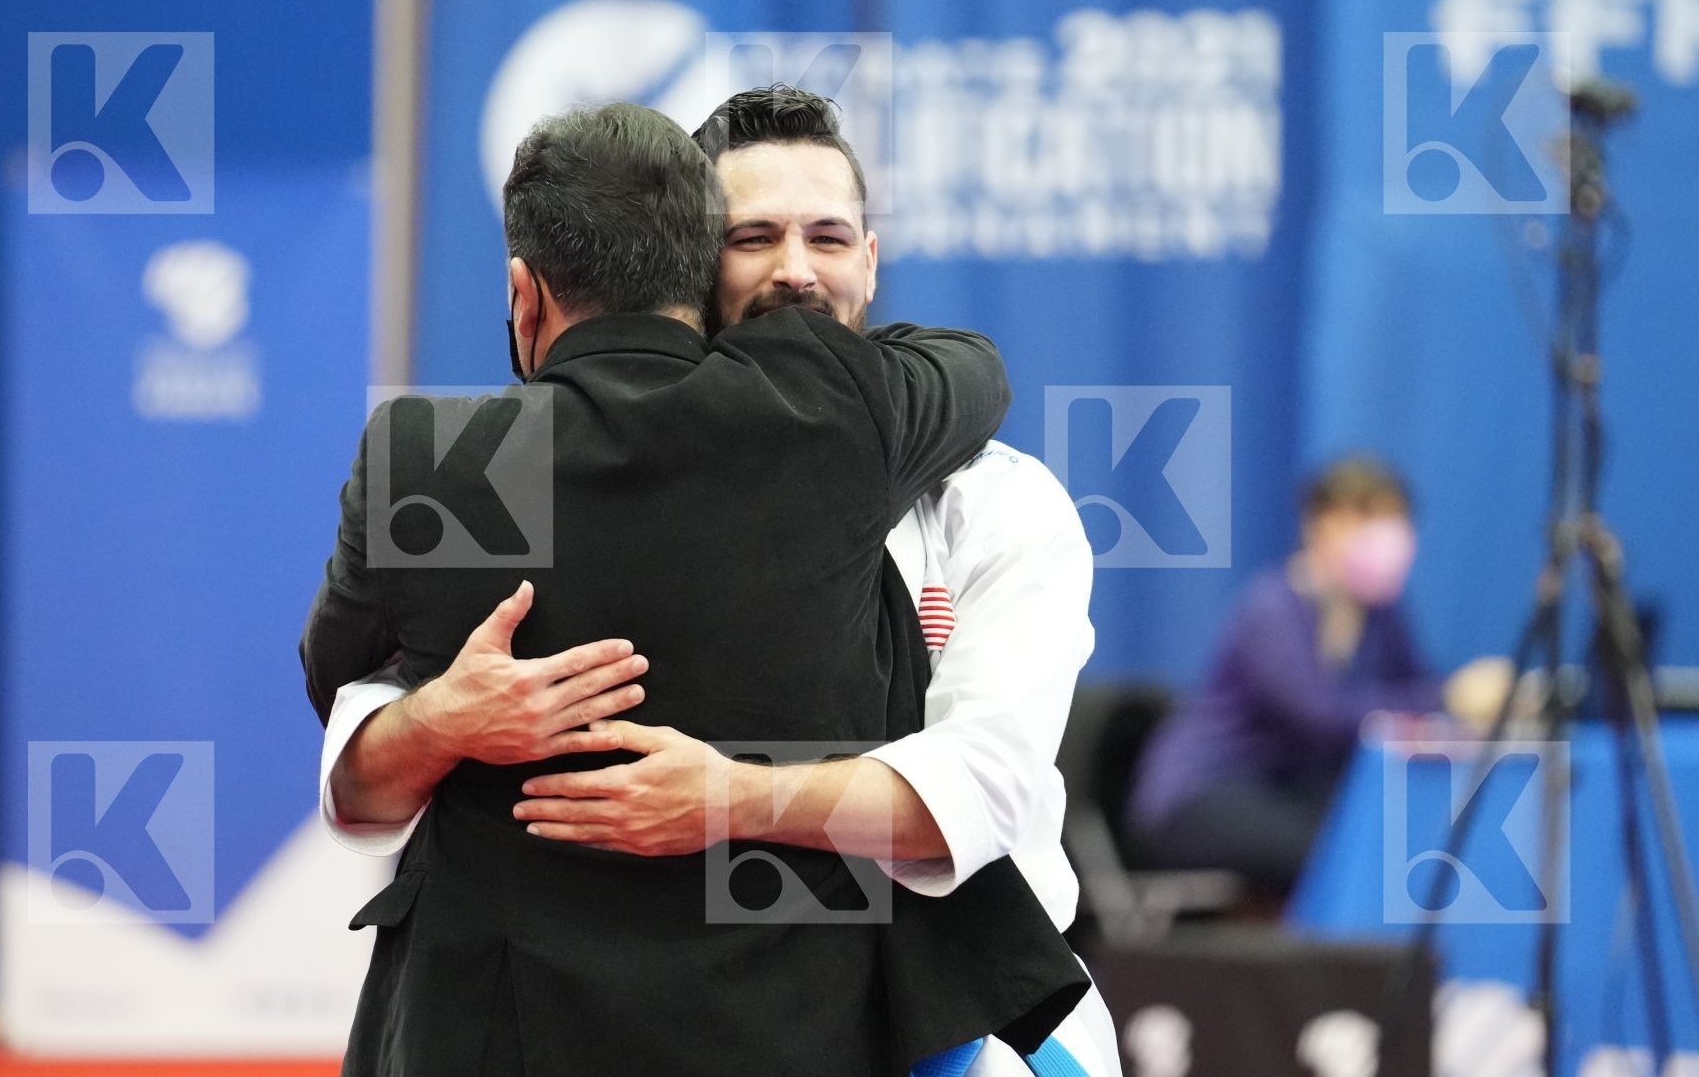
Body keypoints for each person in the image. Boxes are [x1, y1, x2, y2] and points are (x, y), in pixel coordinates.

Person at [322, 87, 1121, 1077]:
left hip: (959, 1023)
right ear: (691, 265)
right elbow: (365, 730)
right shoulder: (521, 480)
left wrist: (733, 798)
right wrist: (439, 722)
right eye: (756, 236)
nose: (796, 270)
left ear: (871, 263)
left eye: (829, 236)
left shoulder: (1000, 501)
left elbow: (986, 789)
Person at [1127, 455, 1442, 896]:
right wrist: (1454, 696)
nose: (1382, 535)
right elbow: (1321, 718)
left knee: (1389, 838)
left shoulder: (1383, 617)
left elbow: (1416, 692)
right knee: (1347, 849)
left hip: (1287, 797)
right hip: (1202, 799)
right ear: (1317, 525)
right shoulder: (1271, 608)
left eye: (1393, 519)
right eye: (1364, 516)